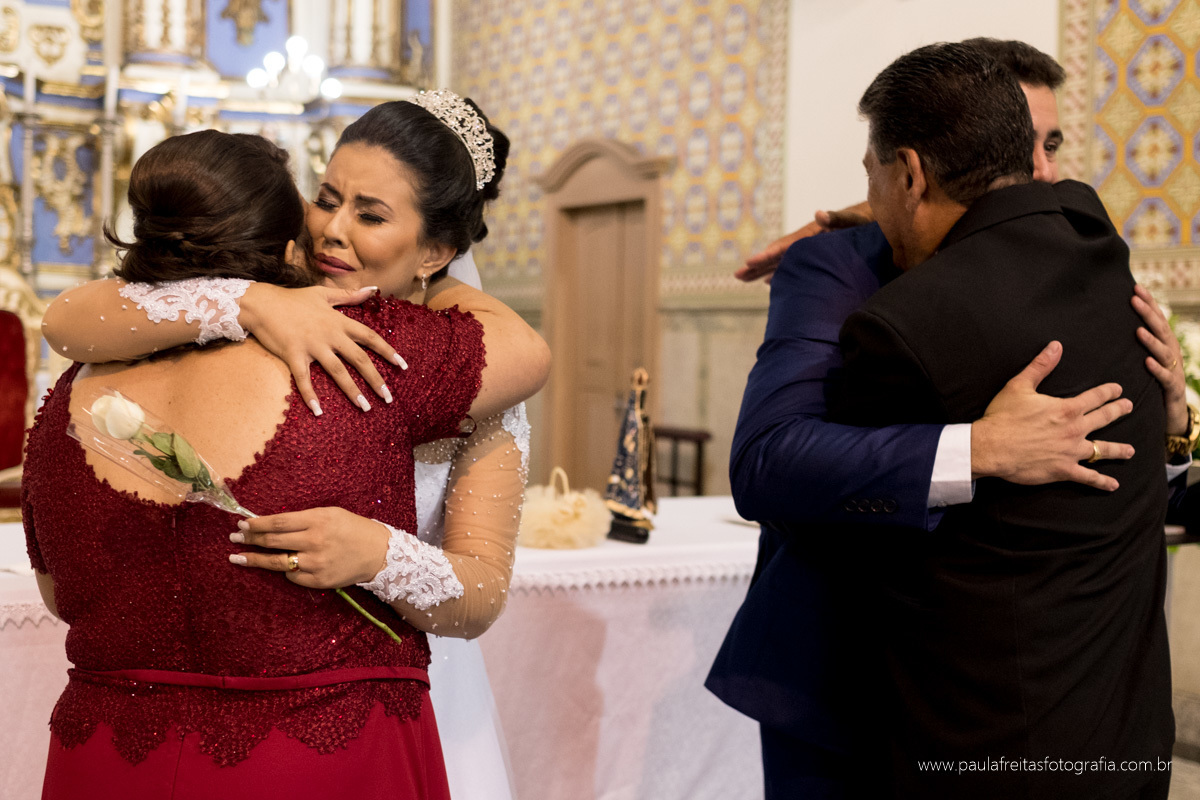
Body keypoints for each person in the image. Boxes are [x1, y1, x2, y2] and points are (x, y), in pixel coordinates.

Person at [708, 40, 1187, 799]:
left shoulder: (1083, 259)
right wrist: (977, 448)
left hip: (1009, 709)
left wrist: (1176, 429)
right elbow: (773, 463)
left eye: (1051, 146)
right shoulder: (840, 267)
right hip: (845, 679)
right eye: (1028, 147)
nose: (1043, 175)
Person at [26, 124, 546, 797]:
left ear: (437, 249)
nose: (333, 229)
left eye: (371, 214)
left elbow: (478, 593)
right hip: (317, 733)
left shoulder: (421, 358)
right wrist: (249, 300)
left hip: (405, 676)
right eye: (325, 198)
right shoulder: (237, 316)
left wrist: (379, 554)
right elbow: (68, 317)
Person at [838, 42, 1170, 796]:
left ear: (911, 173)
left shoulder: (900, 326)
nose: (873, 202)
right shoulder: (1097, 245)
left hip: (985, 745)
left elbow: (848, 529)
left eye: (873, 175)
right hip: (1126, 734)